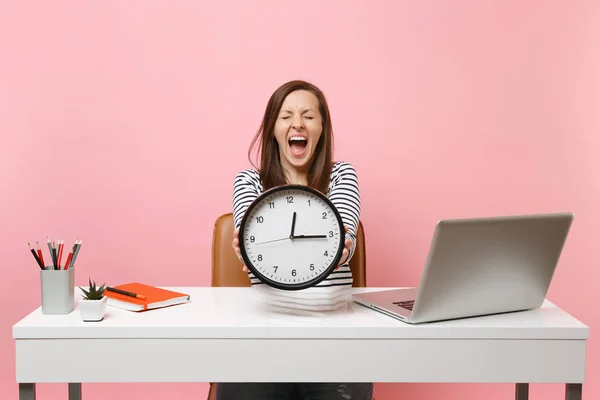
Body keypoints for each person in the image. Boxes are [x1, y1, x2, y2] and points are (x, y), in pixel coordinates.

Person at [216, 80, 372, 400]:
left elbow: (341, 237)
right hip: (263, 341)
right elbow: (251, 245)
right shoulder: (248, 181)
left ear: (322, 129)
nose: (297, 123)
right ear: (273, 128)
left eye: (308, 116)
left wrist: (340, 246)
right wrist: (253, 248)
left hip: (336, 342)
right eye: (286, 116)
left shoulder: (342, 175)